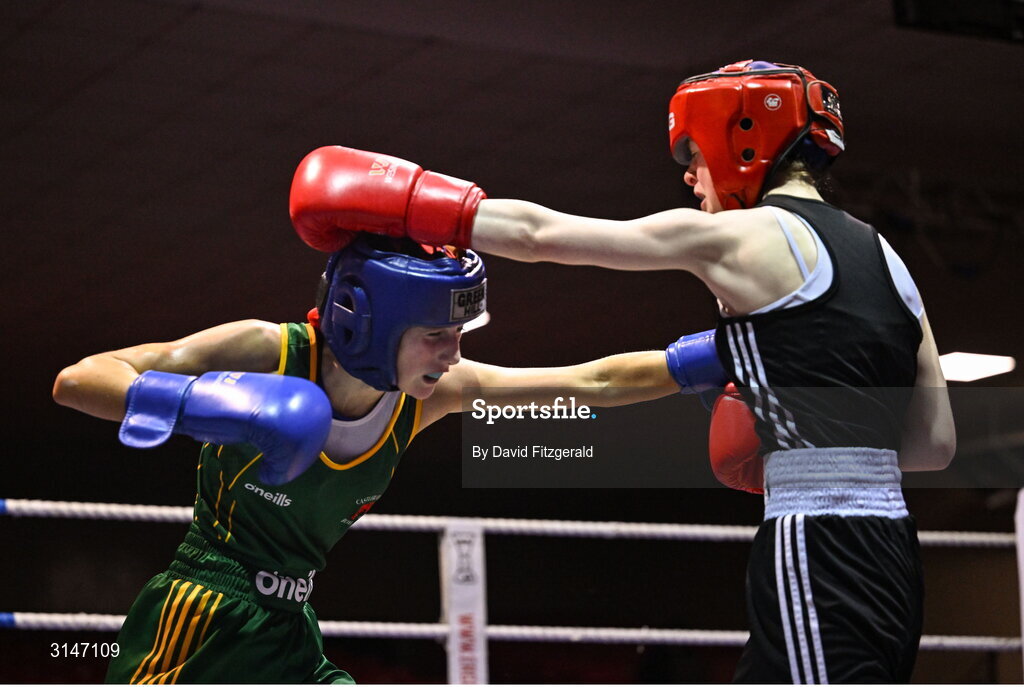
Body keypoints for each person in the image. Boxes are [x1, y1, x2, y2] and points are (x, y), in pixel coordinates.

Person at [288, 60, 957, 683]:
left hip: (819, 541)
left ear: (742, 138)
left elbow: (540, 237)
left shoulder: (743, 237)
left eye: (694, 158)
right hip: (893, 550)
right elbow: (934, 443)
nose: (692, 180)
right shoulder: (888, 257)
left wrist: (408, 200)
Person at [52, 225, 725, 682]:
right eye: (436, 333)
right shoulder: (272, 352)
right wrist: (211, 405)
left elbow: (590, 382)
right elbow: (80, 379)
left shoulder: (428, 396)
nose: (453, 353)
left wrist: (718, 356)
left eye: (458, 333)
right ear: (370, 320)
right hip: (196, 618)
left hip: (289, 629)